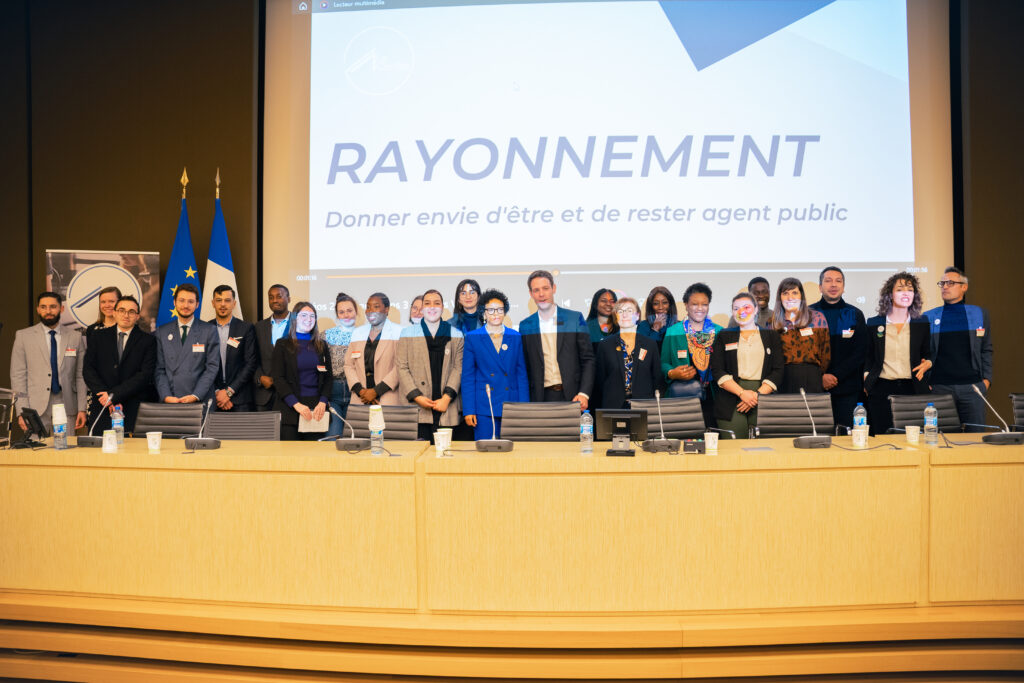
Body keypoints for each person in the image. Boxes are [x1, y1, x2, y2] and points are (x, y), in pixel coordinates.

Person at [923, 267, 993, 430]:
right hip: (939, 388)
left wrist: (986, 381)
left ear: (964, 287)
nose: (945, 287)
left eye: (950, 283)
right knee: (941, 439)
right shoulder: (929, 316)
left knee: (975, 438)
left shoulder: (979, 314)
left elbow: (986, 349)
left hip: (972, 388)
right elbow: (922, 352)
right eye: (942, 283)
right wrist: (926, 383)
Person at [864, 272, 932, 435]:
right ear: (890, 294)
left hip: (913, 388)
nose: (905, 293)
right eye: (900, 289)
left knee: (913, 438)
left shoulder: (921, 323)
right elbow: (868, 356)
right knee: (882, 436)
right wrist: (866, 378)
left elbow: (928, 353)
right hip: (881, 388)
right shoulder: (874, 323)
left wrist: (928, 363)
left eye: (910, 289)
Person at [10, 292, 88, 433]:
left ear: (61, 309)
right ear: (38, 309)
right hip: (34, 407)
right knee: (37, 446)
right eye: (43, 307)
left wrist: (82, 408)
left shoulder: (75, 337)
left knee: (65, 446)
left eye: (53, 307)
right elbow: (18, 376)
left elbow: (80, 375)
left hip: (67, 404)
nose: (48, 311)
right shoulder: (23, 336)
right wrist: (21, 410)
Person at [519, 270, 595, 410]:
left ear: (553, 288)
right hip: (539, 398)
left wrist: (584, 393)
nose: (541, 294)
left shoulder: (574, 319)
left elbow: (588, 359)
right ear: (531, 294)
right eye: (536, 290)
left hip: (573, 396)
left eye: (545, 288)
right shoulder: (525, 325)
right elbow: (525, 366)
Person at [711, 293, 784, 438]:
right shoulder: (723, 335)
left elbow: (778, 370)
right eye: (736, 308)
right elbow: (717, 370)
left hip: (763, 396)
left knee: (765, 447)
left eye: (746, 307)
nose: (741, 312)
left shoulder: (771, 336)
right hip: (731, 397)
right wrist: (742, 393)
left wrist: (756, 396)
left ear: (756, 309)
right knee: (734, 445)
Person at [82, 294, 156, 433]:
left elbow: (145, 375)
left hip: (132, 407)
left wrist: (114, 396)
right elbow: (88, 370)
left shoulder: (148, 341)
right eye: (122, 310)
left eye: (131, 312)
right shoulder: (98, 337)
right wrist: (105, 396)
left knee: (132, 446)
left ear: (137, 316)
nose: (126, 315)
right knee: (100, 445)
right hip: (102, 406)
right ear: (114, 313)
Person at [461, 289, 529, 439]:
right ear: (483, 313)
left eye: (500, 309)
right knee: (486, 450)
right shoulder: (473, 337)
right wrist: (469, 410)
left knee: (514, 449)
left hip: (511, 404)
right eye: (491, 310)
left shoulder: (515, 336)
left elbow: (521, 375)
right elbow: (468, 377)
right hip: (484, 405)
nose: (496, 314)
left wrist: (524, 407)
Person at [397, 289, 464, 442]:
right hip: (418, 405)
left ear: (442, 307)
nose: (432, 307)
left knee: (445, 452)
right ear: (422, 308)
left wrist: (446, 398)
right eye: (427, 303)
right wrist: (417, 396)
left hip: (446, 405)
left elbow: (458, 368)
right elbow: (402, 367)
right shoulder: (407, 333)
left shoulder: (456, 334)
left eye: (436, 303)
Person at [809, 266, 868, 428]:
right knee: (818, 436)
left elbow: (860, 352)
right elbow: (806, 352)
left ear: (843, 286)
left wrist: (835, 375)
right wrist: (821, 376)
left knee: (846, 435)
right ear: (820, 287)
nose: (833, 285)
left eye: (838, 281)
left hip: (848, 389)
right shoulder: (809, 313)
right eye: (828, 281)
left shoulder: (855, 313)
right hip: (816, 387)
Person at [662, 283, 721, 425]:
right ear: (686, 305)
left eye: (704, 304)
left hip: (714, 398)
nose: (700, 308)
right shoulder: (673, 332)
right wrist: (672, 373)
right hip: (683, 397)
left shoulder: (719, 332)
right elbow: (663, 362)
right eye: (695, 304)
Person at [272, 302, 332, 441]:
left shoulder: (321, 345)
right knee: (290, 453)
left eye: (312, 316)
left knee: (314, 453)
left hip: (316, 410)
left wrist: (323, 402)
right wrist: (296, 404)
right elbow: (278, 378)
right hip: (291, 408)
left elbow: (328, 378)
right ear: (294, 318)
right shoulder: (282, 344)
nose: (308, 319)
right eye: (304, 315)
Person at [154, 283, 220, 405]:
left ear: (197, 304)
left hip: (200, 400)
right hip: (171, 400)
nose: (185, 305)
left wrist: (196, 395)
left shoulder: (209, 330)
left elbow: (212, 368)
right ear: (174, 302)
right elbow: (159, 370)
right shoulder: (161, 332)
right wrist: (166, 396)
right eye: (181, 300)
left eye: (190, 301)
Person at [595, 297, 661, 410]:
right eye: (620, 311)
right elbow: (600, 381)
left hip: (643, 406)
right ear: (616, 316)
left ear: (637, 315)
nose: (624, 315)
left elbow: (657, 379)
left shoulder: (650, 345)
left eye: (629, 311)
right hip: (613, 406)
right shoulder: (605, 345)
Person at [772, 277, 831, 393]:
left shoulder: (817, 318)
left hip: (812, 377)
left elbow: (825, 353)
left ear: (801, 296)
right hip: (783, 379)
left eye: (794, 293)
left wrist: (818, 373)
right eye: (785, 293)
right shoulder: (772, 323)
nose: (790, 298)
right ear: (780, 297)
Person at [344, 292, 403, 406]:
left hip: (387, 398)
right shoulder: (358, 333)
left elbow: (400, 367)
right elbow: (348, 365)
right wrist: (361, 391)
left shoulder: (399, 332)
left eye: (376, 306)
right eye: (368, 307)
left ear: (386, 310)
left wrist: (376, 392)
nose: (370, 310)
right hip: (361, 398)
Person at [211, 285, 257, 412]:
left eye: (227, 300)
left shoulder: (246, 328)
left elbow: (250, 364)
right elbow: (202, 364)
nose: (223, 304)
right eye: (219, 300)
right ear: (213, 303)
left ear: (234, 303)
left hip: (241, 399)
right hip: (214, 399)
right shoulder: (205, 329)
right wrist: (217, 392)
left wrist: (229, 392)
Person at [323, 293, 357, 435]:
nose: (346, 315)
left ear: (356, 311)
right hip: (333, 393)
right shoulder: (326, 335)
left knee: (354, 437)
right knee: (333, 436)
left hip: (357, 393)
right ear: (337, 315)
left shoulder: (365, 334)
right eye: (341, 312)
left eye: (349, 311)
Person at [254, 284, 291, 411]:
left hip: (292, 394)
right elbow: (252, 358)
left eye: (279, 296)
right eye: (271, 297)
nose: (275, 300)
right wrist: (259, 377)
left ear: (289, 299)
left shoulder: (300, 323)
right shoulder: (259, 327)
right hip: (265, 394)